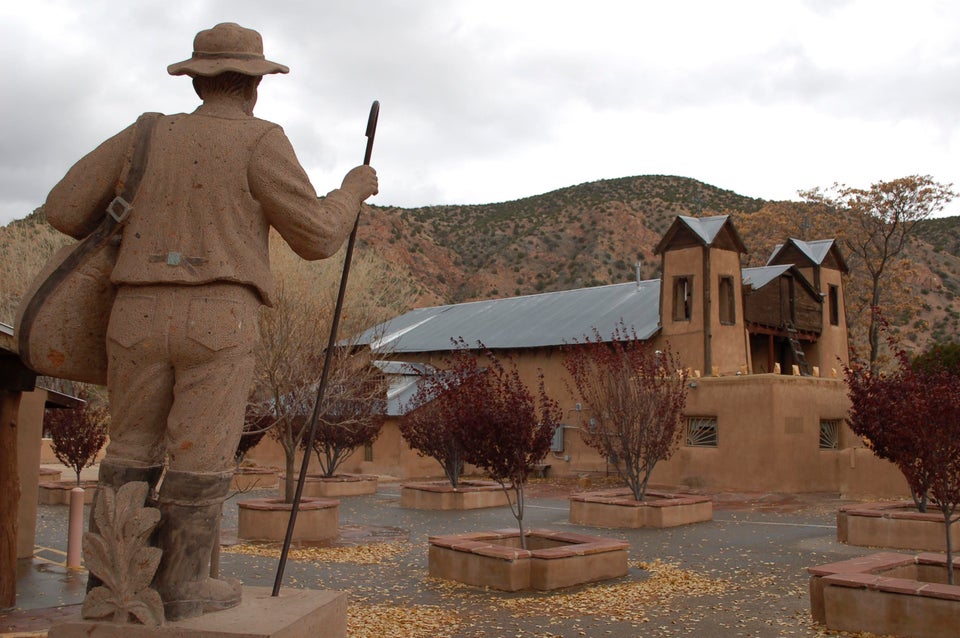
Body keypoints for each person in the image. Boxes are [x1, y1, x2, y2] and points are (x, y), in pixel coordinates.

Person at [43, 22, 378, 621]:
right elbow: (320, 237)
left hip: (135, 311)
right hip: (220, 314)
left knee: (130, 447)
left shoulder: (145, 133)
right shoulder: (260, 140)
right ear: (254, 84)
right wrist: (352, 190)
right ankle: (183, 585)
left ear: (196, 82)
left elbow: (65, 209)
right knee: (201, 453)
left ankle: (112, 586)